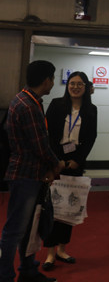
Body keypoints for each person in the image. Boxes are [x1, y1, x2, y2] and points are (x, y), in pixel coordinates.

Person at [0, 60, 65, 282]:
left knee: (29, 227)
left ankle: (28, 271)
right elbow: (39, 145)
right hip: (25, 175)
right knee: (15, 229)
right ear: (46, 80)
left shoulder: (24, 99)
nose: (53, 83)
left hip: (29, 173)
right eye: (52, 79)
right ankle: (6, 275)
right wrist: (56, 164)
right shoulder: (28, 105)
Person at [42, 72, 98, 271]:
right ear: (67, 86)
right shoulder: (56, 105)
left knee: (69, 208)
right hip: (55, 162)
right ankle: (50, 253)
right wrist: (56, 160)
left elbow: (91, 137)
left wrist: (77, 160)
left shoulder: (91, 109)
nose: (75, 87)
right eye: (72, 83)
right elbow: (48, 134)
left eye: (79, 84)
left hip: (75, 164)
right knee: (52, 208)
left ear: (86, 87)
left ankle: (62, 249)